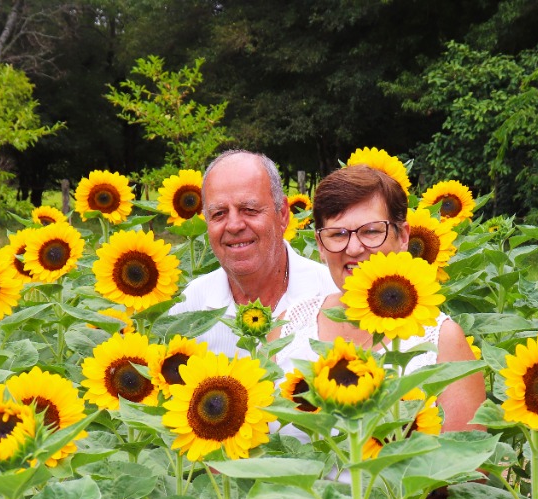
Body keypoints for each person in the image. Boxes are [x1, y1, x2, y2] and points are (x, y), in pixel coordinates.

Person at [290, 165, 485, 433]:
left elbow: (468, 464)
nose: (354, 248)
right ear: (320, 245)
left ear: (403, 236)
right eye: (337, 234)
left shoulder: (441, 339)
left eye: (371, 231)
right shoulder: (291, 325)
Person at [169, 150, 337, 360]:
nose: (234, 225)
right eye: (219, 213)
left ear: (283, 215)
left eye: (249, 209)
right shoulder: (189, 308)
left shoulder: (333, 296)